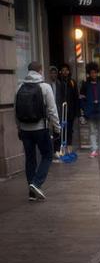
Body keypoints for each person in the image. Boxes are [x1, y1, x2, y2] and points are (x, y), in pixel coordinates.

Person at [15, 61, 60, 201]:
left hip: (25, 129)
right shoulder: (45, 87)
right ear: (40, 71)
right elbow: (52, 110)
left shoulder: (19, 88)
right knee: (47, 155)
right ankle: (36, 184)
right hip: (41, 128)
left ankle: (32, 192)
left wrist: (19, 128)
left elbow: (15, 111)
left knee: (30, 158)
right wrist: (57, 128)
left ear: (28, 71)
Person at [79, 62, 100, 158]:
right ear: (89, 73)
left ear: (97, 73)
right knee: (92, 131)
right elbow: (81, 98)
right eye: (91, 73)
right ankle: (93, 150)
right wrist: (84, 108)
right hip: (90, 111)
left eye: (95, 72)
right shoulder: (85, 85)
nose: (93, 74)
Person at [56, 64, 80, 155]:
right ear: (61, 72)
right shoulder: (59, 82)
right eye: (63, 70)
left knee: (69, 130)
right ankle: (61, 148)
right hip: (61, 111)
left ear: (69, 71)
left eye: (66, 70)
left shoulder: (72, 82)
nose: (65, 72)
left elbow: (76, 97)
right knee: (61, 129)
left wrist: (77, 111)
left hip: (70, 111)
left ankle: (69, 148)